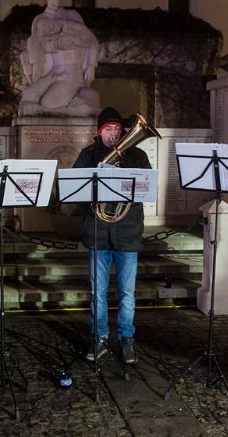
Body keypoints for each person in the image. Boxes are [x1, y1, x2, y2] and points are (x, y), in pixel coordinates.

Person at [73, 106, 152, 364]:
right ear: (99, 131)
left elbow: (147, 190)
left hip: (128, 232)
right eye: (109, 129)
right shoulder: (88, 155)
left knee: (128, 292)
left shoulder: (137, 155)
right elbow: (76, 193)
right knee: (98, 292)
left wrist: (125, 175)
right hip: (98, 233)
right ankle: (100, 337)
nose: (114, 134)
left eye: (118, 129)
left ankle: (127, 338)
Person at [19, 0, 101, 116]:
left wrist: (91, 65)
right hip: (52, 72)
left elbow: (91, 41)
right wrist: (30, 65)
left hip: (71, 74)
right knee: (27, 96)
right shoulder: (40, 20)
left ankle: (78, 108)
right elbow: (36, 44)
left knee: (47, 103)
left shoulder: (71, 17)